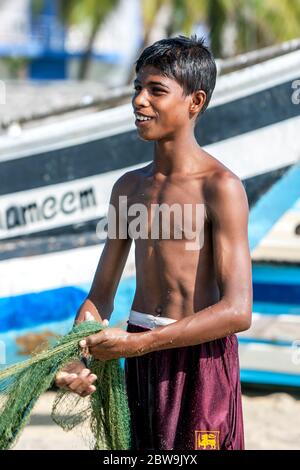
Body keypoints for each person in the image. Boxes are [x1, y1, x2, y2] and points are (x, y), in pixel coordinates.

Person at [55, 35, 252, 450]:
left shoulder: (221, 187)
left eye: (156, 90)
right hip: (140, 362)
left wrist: (139, 342)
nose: (139, 101)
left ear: (195, 102)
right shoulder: (127, 188)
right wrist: (77, 353)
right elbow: (99, 299)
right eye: (137, 88)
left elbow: (237, 311)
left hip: (200, 361)